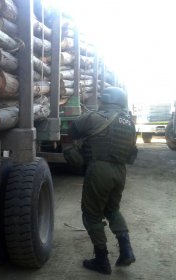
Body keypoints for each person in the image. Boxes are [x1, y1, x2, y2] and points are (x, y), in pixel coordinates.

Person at [69, 87, 137, 275]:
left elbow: (73, 128)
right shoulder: (129, 123)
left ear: (106, 99)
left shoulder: (96, 117)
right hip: (120, 171)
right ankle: (126, 250)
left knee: (91, 215)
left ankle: (101, 260)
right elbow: (132, 154)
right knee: (112, 209)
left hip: (100, 170)